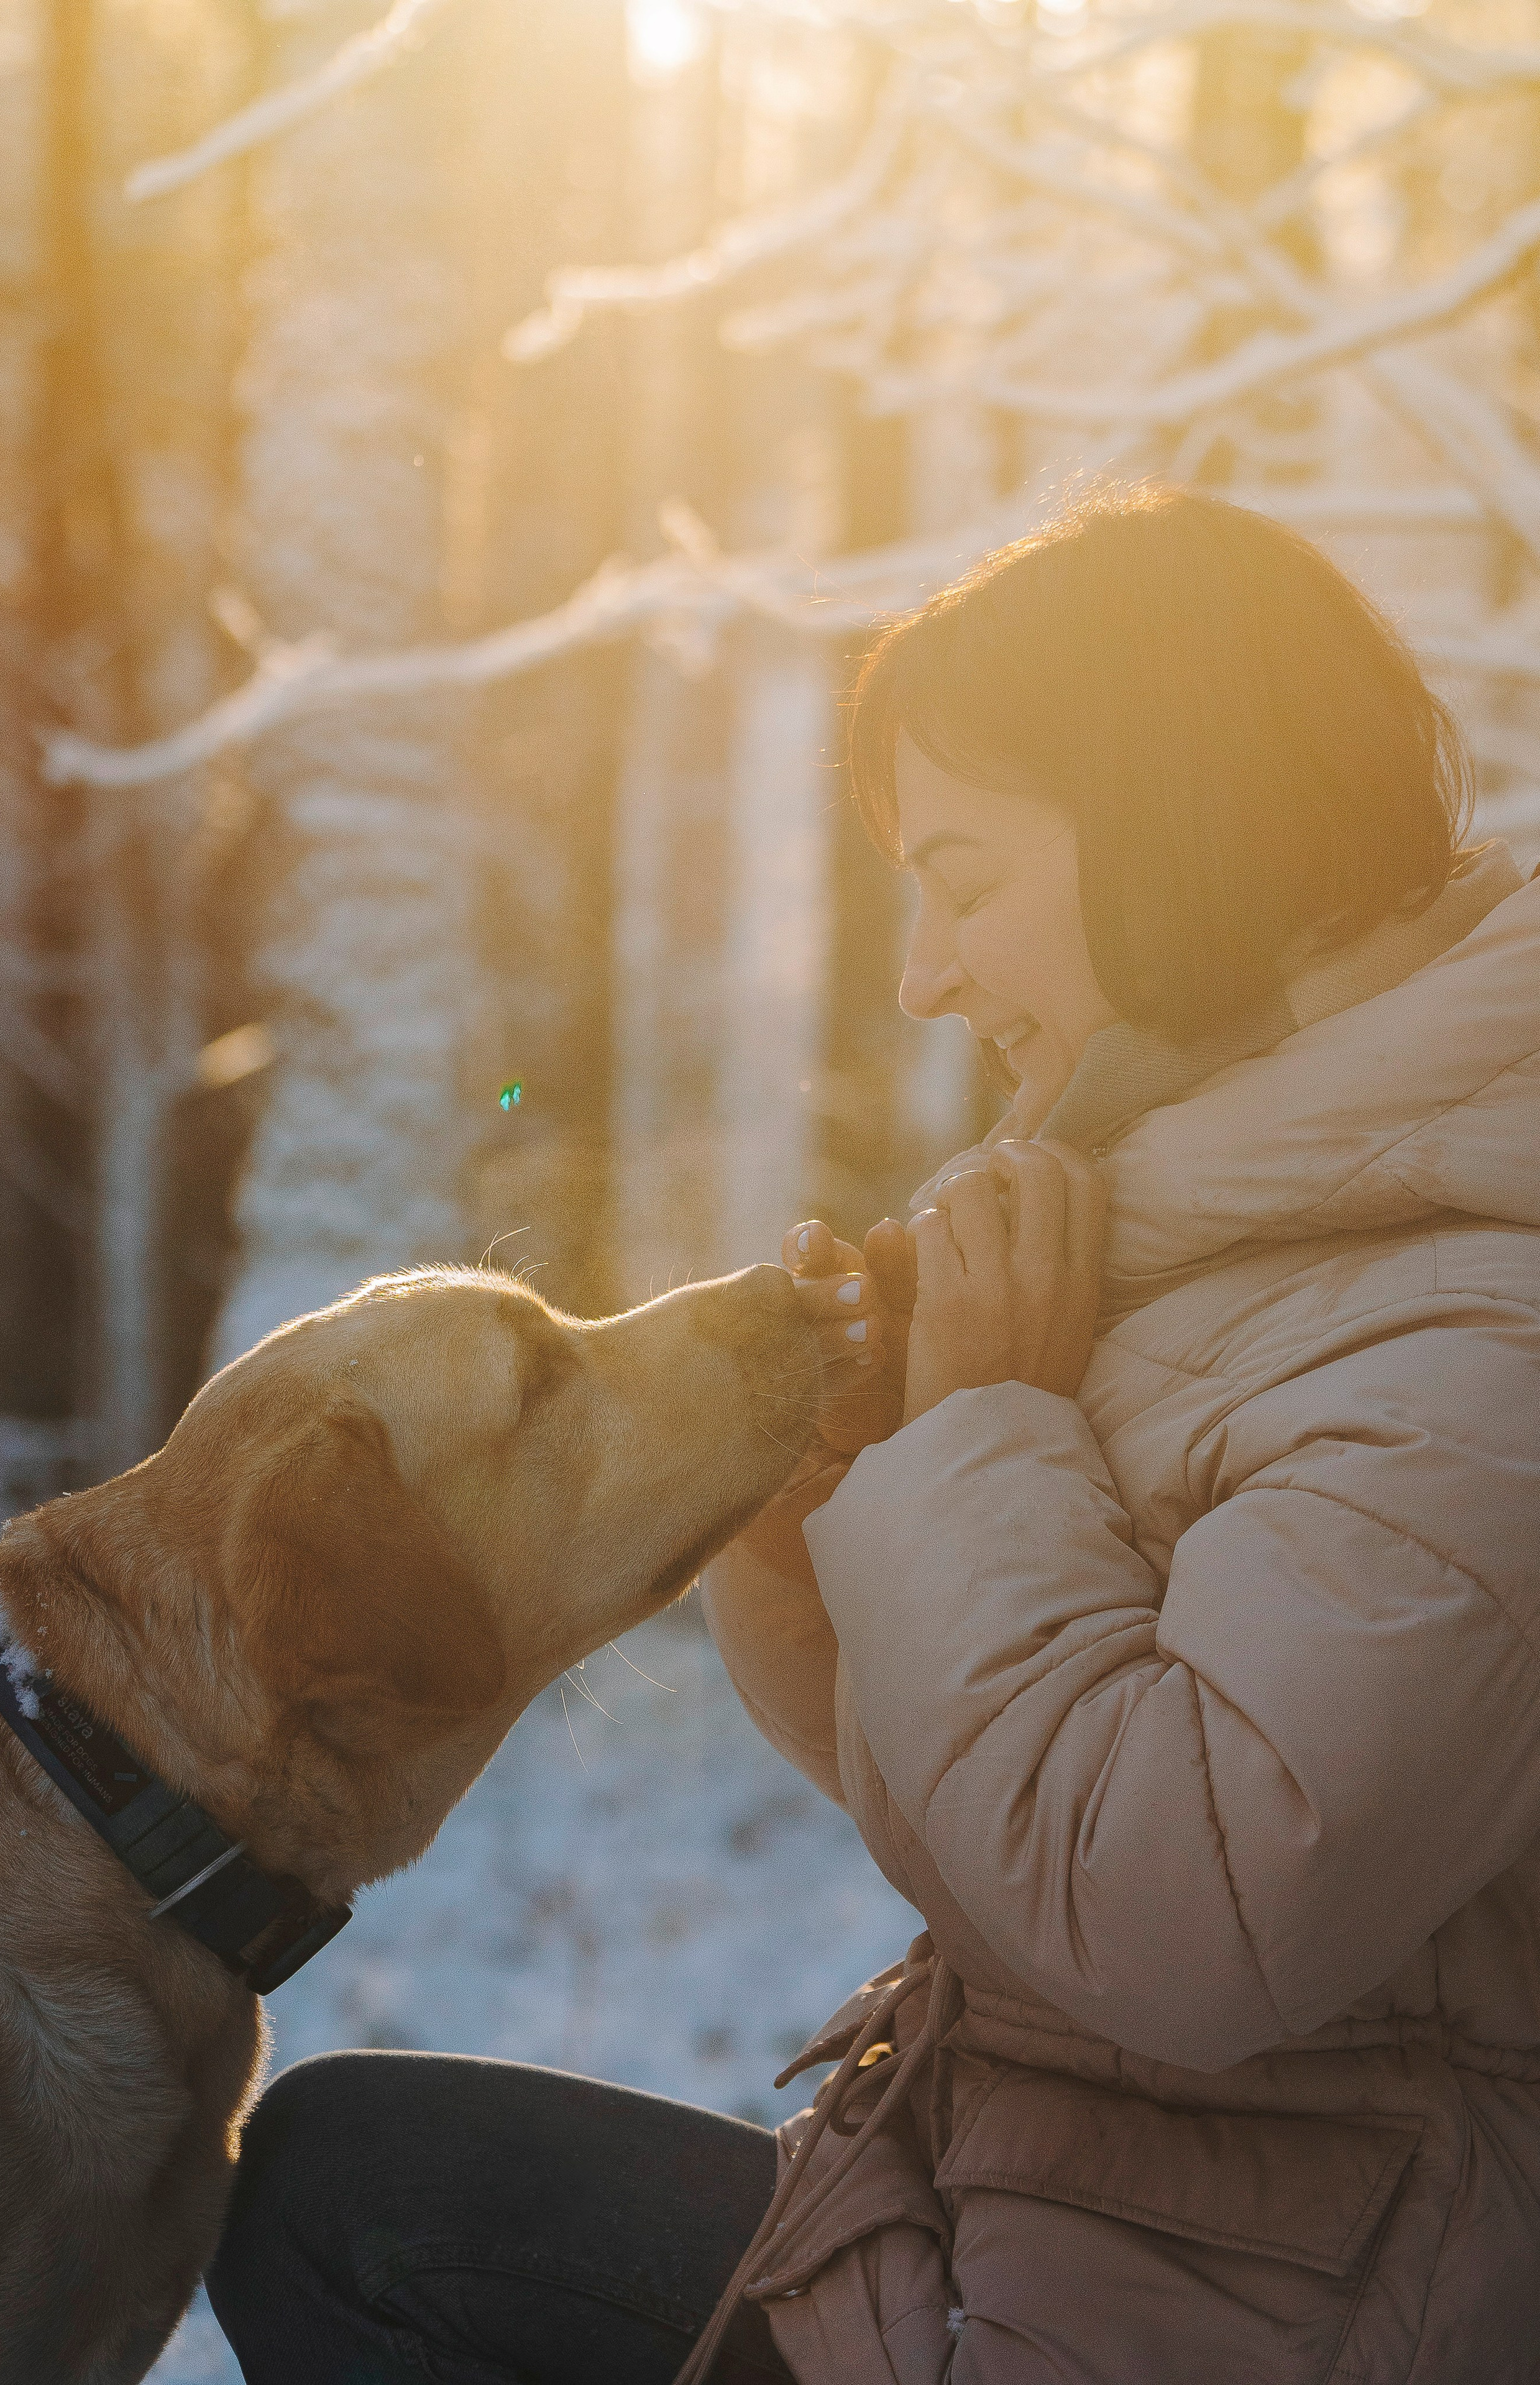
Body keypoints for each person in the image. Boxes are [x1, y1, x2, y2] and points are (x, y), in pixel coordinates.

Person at [208, 485, 1540, 2384]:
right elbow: (973, 1792)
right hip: (1034, 2233)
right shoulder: (1220, 1217)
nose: (923, 973)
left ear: (1185, 839)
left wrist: (991, 1431)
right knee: (347, 2188)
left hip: (1247, 2315)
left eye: (968, 880)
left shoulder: (1482, 1325)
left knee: (372, 2214)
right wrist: (831, 1484)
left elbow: (1185, 1924)